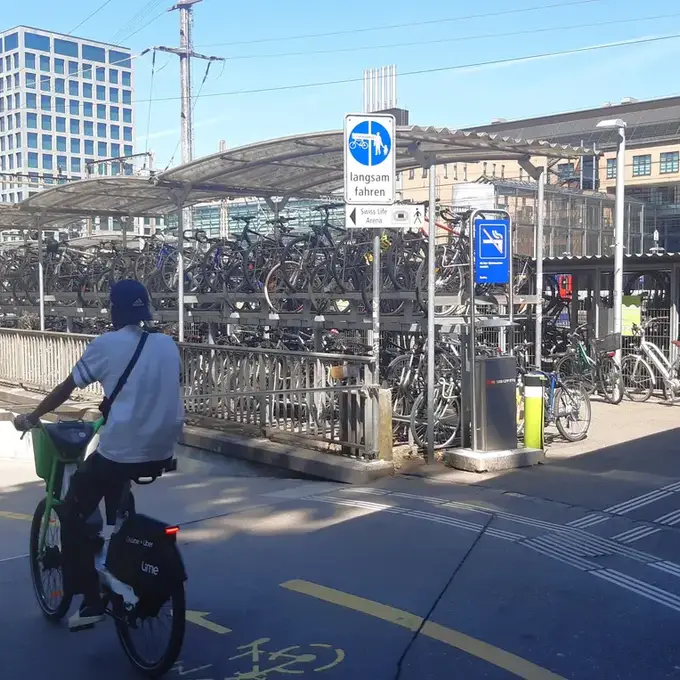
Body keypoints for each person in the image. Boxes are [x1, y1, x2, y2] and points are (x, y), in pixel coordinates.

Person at [14, 280, 185, 631]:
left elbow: (67, 386)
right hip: (164, 448)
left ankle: (92, 601)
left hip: (123, 449)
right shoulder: (167, 343)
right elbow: (155, 388)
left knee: (72, 511)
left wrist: (32, 417)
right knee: (116, 488)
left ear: (114, 310)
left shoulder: (106, 345)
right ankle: (121, 539)